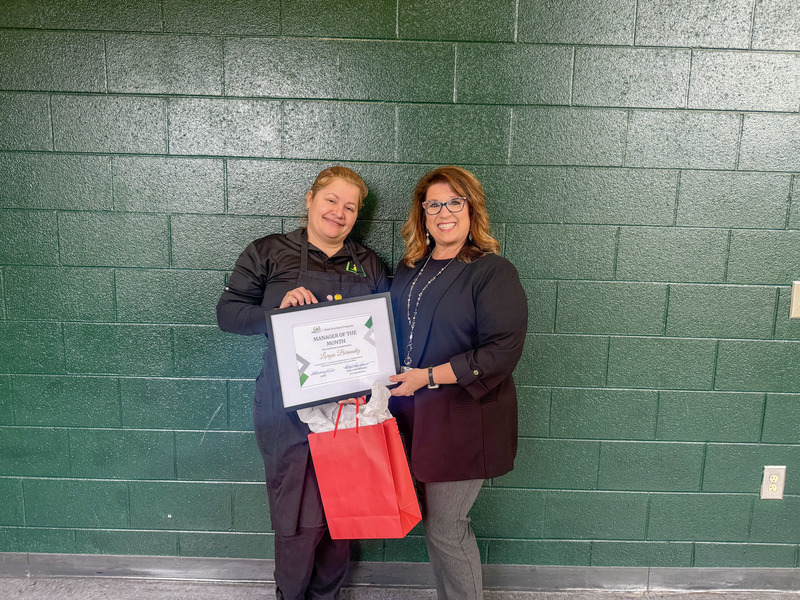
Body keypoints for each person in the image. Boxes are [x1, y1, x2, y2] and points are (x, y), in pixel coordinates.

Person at [216, 166, 389, 600]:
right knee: (299, 516)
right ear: (309, 199)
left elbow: (387, 335)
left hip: (350, 409)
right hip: (285, 408)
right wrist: (279, 315)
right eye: (331, 200)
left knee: (341, 514)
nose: (339, 212)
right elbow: (228, 314)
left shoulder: (368, 264)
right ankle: (290, 595)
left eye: (350, 207)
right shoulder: (268, 252)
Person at [388, 166, 527, 600]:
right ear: (422, 213)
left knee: (447, 527)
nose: (444, 212)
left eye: (455, 202)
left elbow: (500, 352)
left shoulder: (492, 271)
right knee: (435, 523)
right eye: (434, 204)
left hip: (464, 418)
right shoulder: (411, 267)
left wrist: (425, 377)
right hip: (417, 416)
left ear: (471, 210)